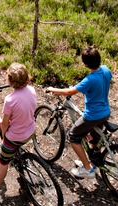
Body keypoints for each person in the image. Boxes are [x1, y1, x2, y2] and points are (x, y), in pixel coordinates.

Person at [46, 46, 112, 179]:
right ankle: (91, 162)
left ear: (85, 64)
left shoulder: (90, 79)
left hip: (92, 116)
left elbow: (70, 92)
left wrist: (52, 89)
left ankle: (87, 170)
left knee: (73, 137)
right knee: (94, 138)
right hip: (105, 112)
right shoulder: (106, 70)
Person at [0, 63, 37, 201]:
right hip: (31, 130)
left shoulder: (10, 100)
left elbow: (5, 122)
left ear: (10, 81)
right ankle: (20, 158)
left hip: (15, 137)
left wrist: (5, 137)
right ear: (27, 78)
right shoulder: (32, 90)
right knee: (16, 146)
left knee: (2, 163)